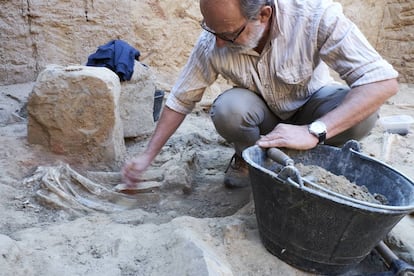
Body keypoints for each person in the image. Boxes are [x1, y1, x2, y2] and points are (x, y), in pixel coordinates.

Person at [122, 0, 399, 188]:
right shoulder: (214, 38)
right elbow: (180, 100)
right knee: (229, 110)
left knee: (365, 115)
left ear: (263, 15)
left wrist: (314, 131)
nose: (218, 41)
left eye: (229, 33)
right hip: (262, 117)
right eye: (210, 28)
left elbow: (382, 82)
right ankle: (248, 156)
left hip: (311, 110)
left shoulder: (313, 16)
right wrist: (147, 156)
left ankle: (315, 156)